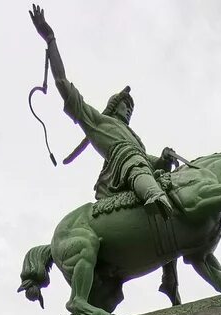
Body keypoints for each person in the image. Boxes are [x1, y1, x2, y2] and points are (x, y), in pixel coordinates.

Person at [29, 6, 175, 217]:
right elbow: (62, 82)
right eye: (126, 105)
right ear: (114, 106)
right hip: (123, 167)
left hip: (139, 164)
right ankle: (154, 196)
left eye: (131, 109)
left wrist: (164, 159)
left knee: (156, 172)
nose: (128, 111)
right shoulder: (99, 122)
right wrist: (50, 39)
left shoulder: (136, 139)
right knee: (135, 163)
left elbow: (150, 161)